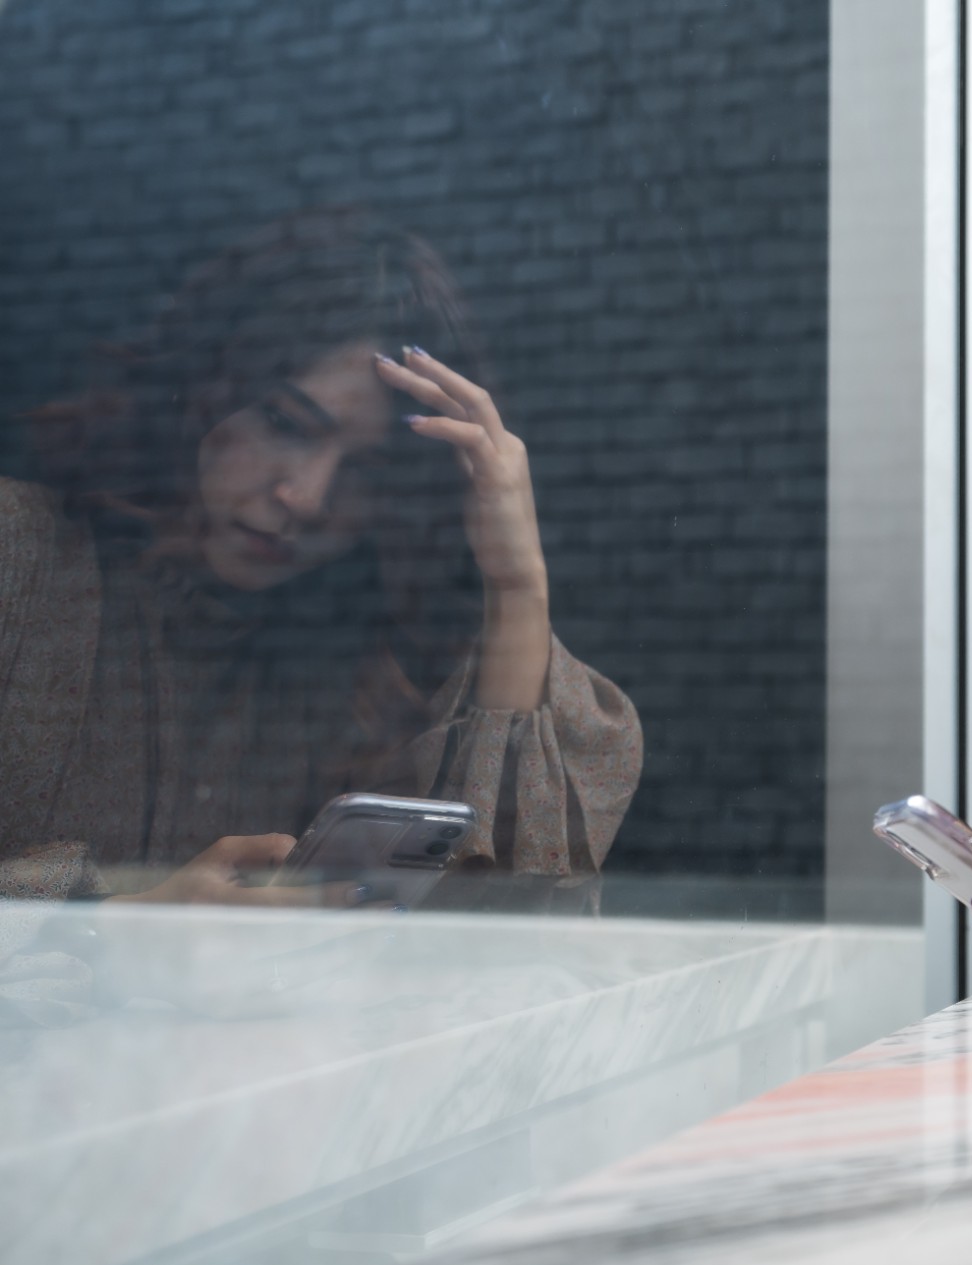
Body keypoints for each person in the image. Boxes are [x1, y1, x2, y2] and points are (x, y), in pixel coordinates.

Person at [0, 208, 643, 919]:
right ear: (204, 385)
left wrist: (516, 584)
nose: (305, 498)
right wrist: (119, 927)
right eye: (285, 423)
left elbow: (515, 941)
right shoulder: (20, 555)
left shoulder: (373, 662)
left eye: (364, 470)